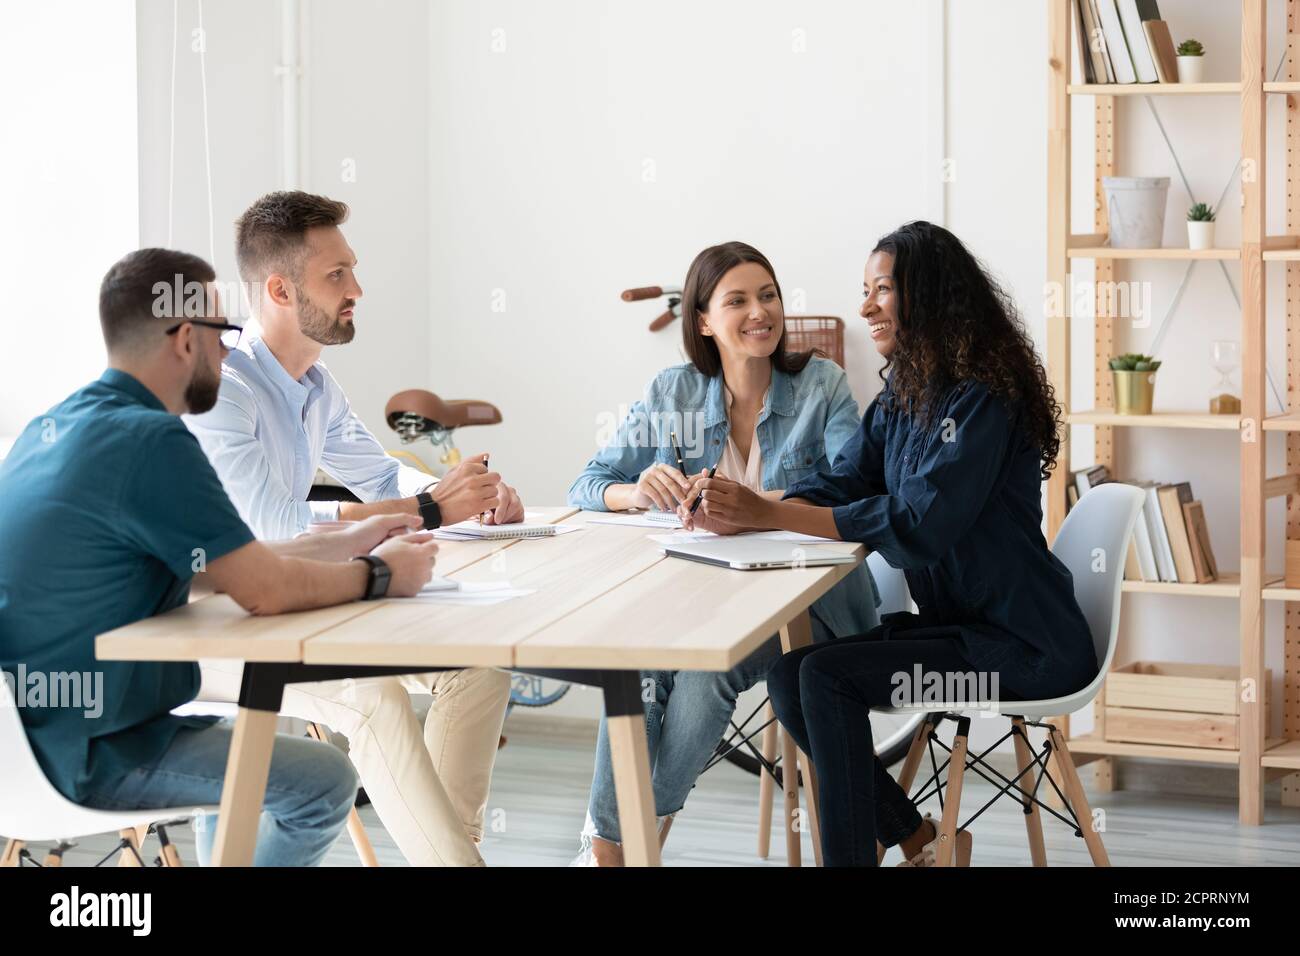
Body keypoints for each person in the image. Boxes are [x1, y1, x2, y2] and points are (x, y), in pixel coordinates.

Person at [0, 248, 441, 866]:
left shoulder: (61, 427)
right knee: (324, 782)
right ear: (185, 338)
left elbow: (235, 563)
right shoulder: (152, 439)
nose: (231, 352)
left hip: (26, 742)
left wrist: (356, 537)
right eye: (222, 333)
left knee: (251, 758)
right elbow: (267, 590)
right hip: (90, 751)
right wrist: (383, 575)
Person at [686, 221, 1097, 867]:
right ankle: (918, 839)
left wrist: (767, 510)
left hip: (1025, 653)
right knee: (790, 673)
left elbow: (916, 524)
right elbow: (843, 479)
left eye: (883, 289)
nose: (866, 306)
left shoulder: (986, 397)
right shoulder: (907, 395)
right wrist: (745, 511)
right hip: (964, 633)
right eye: (865, 289)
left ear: (930, 296)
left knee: (824, 676)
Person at [186, 191, 516, 867]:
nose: (357, 289)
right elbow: (270, 527)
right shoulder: (224, 386)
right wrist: (427, 511)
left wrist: (466, 496)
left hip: (283, 602)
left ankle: (450, 855)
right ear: (279, 288)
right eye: (337, 275)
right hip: (200, 620)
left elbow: (384, 478)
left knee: (477, 669)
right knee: (375, 700)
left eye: (352, 270)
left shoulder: (314, 384)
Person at [566, 241, 880, 865]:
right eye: (737, 300)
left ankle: (632, 845)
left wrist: (759, 504)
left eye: (768, 296)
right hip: (699, 596)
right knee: (634, 667)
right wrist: (637, 490)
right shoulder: (674, 394)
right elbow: (587, 483)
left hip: (806, 608)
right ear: (704, 321)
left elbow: (860, 487)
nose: (759, 311)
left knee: (709, 675)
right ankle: (608, 847)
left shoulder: (821, 385)